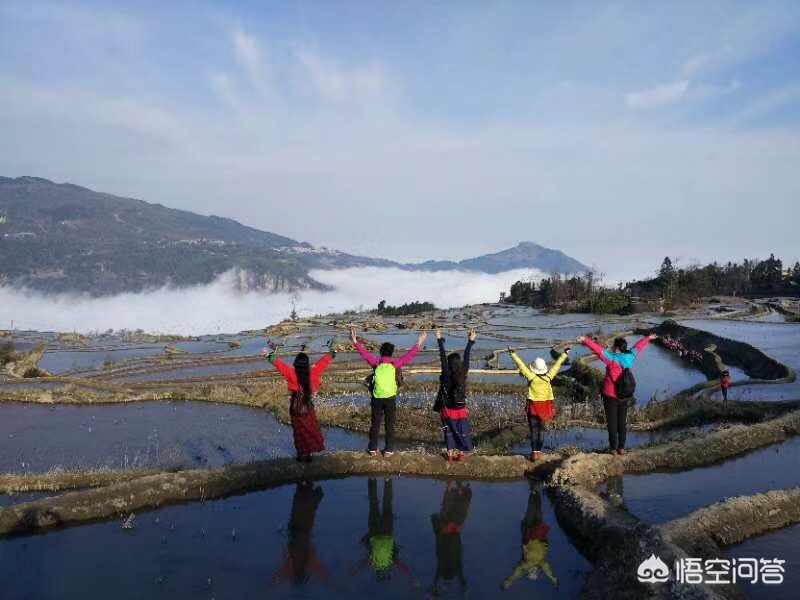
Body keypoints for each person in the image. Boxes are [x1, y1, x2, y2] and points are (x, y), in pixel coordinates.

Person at [350, 327, 427, 457]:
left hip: (377, 397)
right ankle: (388, 450)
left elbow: (364, 354)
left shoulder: (376, 363)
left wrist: (355, 341)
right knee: (389, 425)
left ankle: (373, 449)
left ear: (381, 353)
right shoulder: (394, 365)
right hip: (390, 398)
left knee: (375, 423)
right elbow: (409, 356)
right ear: (391, 353)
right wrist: (419, 342)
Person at [576, 333, 657, 455]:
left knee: (612, 422)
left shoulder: (611, 359)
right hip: (624, 395)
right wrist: (648, 338)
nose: (613, 348)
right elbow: (638, 346)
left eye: (614, 346)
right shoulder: (631, 356)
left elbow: (598, 350)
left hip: (610, 395)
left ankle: (613, 448)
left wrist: (585, 340)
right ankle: (622, 448)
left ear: (617, 348)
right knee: (622, 422)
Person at [263, 343, 337, 462]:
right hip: (307, 407)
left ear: (296, 363)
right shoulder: (313, 372)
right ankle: (309, 455)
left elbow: (279, 365)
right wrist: (333, 352)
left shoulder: (291, 373)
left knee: (298, 432)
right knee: (309, 430)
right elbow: (323, 362)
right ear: (307, 364)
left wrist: (269, 356)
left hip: (295, 408)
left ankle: (300, 454)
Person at [350, 478, 417, 585]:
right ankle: (372, 479)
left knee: (387, 505)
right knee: (373, 504)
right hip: (374, 531)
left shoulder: (389, 562)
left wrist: (411, 577)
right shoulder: (374, 563)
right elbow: (362, 564)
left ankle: (387, 479)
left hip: (386, 532)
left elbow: (400, 565)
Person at [508, 346, 570, 461]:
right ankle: (539, 452)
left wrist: (513, 354)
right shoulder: (548, 377)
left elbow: (520, 365)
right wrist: (565, 354)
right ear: (544, 369)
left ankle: (534, 453)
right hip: (544, 408)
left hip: (533, 408)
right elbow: (557, 366)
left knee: (533, 430)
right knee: (541, 430)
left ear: (534, 368)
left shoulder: (531, 377)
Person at [501, 480, 558, 590]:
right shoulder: (539, 563)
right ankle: (535, 491)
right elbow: (548, 572)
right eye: (533, 572)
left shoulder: (529, 564)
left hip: (533, 533)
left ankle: (535, 491)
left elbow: (515, 574)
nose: (533, 571)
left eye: (531, 573)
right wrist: (553, 580)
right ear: (535, 571)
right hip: (533, 533)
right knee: (534, 510)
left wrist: (507, 583)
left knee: (535, 510)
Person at [270, 482, 328, 587]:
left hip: (298, 532)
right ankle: (305, 487)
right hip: (299, 532)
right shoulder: (307, 565)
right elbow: (325, 577)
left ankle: (305, 487)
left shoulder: (294, 566)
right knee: (304, 506)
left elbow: (276, 580)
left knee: (304, 503)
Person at [434, 328, 477, 461]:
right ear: (459, 364)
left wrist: (439, 340)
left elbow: (442, 356)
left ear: (448, 363)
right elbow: (467, 356)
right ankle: (462, 453)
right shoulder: (463, 372)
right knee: (462, 430)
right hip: (460, 409)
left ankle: (450, 453)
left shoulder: (446, 374)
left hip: (448, 409)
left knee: (449, 431)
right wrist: (470, 342)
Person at [430, 481, 472, 596]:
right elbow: (438, 577)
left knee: (457, 509)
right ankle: (450, 486)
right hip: (446, 530)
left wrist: (465, 588)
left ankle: (456, 486)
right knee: (447, 508)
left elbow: (461, 578)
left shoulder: (456, 569)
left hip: (454, 529)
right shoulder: (443, 568)